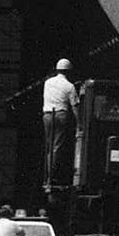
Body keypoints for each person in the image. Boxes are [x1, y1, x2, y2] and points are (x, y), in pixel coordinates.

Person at [42, 59, 79, 188]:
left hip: (47, 115)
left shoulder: (47, 83)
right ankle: (53, 177)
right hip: (60, 115)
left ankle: (48, 178)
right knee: (57, 146)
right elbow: (75, 107)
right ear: (68, 72)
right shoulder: (70, 86)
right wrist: (79, 124)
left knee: (49, 147)